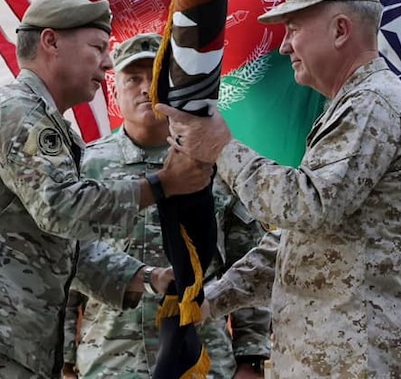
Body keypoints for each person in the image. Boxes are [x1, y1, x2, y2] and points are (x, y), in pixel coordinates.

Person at [158, 0, 401, 377]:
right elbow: (298, 240)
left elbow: (307, 207)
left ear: (341, 30)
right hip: (341, 359)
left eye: (293, 29)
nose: (284, 47)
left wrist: (221, 148)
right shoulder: (354, 105)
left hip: (364, 361)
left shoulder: (372, 106)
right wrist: (213, 299)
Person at [0, 0, 213, 379]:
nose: (107, 63)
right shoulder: (17, 111)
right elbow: (60, 208)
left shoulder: (44, 122)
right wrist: (159, 185)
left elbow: (63, 244)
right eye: (97, 48)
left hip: (5, 345)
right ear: (51, 42)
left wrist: (147, 278)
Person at [60, 33, 271, 379]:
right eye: (133, 79)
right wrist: (64, 362)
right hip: (111, 362)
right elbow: (66, 266)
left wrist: (251, 358)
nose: (146, 89)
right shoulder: (85, 168)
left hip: (201, 359)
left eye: (156, 79)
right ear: (115, 92)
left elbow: (247, 260)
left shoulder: (217, 163)